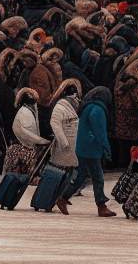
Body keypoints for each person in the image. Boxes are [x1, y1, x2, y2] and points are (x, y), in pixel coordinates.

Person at [60, 87, 116, 218]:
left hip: (83, 147)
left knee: (81, 177)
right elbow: (100, 133)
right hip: (91, 149)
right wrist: (107, 149)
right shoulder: (98, 110)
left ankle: (63, 198)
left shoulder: (89, 107)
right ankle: (101, 206)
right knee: (98, 178)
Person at [49, 80, 81, 214]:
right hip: (65, 147)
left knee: (70, 171)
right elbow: (54, 123)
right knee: (65, 172)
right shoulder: (61, 106)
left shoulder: (70, 106)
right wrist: (64, 143)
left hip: (71, 146)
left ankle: (62, 195)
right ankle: (59, 196)